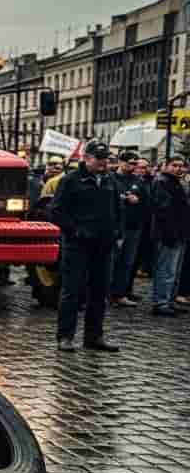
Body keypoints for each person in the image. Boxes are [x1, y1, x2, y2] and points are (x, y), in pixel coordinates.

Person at [48, 142, 121, 352]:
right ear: (86, 158)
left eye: (106, 158)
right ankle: (65, 336)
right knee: (72, 292)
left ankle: (94, 336)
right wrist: (76, 231)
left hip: (104, 244)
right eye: (99, 158)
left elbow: (117, 209)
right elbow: (56, 211)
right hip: (78, 245)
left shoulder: (110, 180)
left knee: (100, 292)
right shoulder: (70, 180)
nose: (103, 162)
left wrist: (117, 232)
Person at [149, 156, 188, 316]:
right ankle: (161, 302)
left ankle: (169, 300)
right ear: (167, 166)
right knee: (166, 270)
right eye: (175, 165)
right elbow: (163, 210)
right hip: (168, 233)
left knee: (175, 271)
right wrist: (170, 232)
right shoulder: (162, 182)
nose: (179, 169)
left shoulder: (178, 182)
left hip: (180, 232)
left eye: (181, 166)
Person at [110, 152, 149, 307]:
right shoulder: (111, 178)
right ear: (120, 162)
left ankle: (120, 294)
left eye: (134, 164)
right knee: (112, 261)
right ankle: (106, 294)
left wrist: (138, 200)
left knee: (127, 262)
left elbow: (147, 202)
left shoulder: (138, 180)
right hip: (115, 226)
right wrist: (120, 199)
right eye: (130, 163)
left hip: (133, 227)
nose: (132, 166)